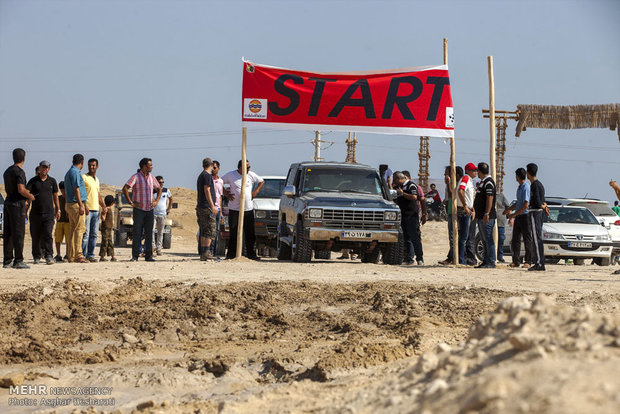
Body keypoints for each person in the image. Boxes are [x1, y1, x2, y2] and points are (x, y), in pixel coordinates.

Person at [222, 160, 264, 260]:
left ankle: (251, 254)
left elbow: (261, 181)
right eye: (247, 167)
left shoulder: (251, 175)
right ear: (240, 167)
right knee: (234, 232)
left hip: (248, 209)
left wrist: (255, 192)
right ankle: (231, 254)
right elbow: (219, 182)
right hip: (235, 209)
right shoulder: (231, 175)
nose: (249, 169)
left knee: (250, 233)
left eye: (249, 167)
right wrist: (226, 194)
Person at [122, 158, 161, 262]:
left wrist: (156, 201)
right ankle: (135, 256)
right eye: (150, 165)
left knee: (149, 233)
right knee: (137, 233)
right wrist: (130, 202)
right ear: (144, 166)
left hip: (149, 209)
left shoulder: (152, 178)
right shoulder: (135, 177)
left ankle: (148, 256)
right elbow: (125, 188)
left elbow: (159, 188)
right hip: (139, 210)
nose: (152, 167)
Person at [3, 148, 36, 269]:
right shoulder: (19, 172)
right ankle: (18, 260)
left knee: (8, 233)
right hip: (17, 204)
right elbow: (21, 189)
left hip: (8, 203)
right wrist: (30, 196)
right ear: (24, 158)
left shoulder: (7, 171)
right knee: (18, 233)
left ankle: (7, 261)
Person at [26, 160, 60, 265]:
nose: (44, 169)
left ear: (48, 169)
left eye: (46, 167)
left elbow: (55, 196)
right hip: (35, 213)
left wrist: (58, 210)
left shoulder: (52, 181)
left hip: (49, 213)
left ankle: (49, 256)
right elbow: (27, 197)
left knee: (48, 235)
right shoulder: (33, 181)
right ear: (39, 168)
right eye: (42, 167)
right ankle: (36, 256)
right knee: (35, 235)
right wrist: (25, 211)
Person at [504, 168, 534, 269]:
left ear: (518, 176)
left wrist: (513, 215)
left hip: (525, 216)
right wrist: (509, 209)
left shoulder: (526, 187)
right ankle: (515, 261)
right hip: (519, 216)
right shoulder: (519, 187)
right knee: (515, 240)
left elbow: (526, 204)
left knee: (527, 239)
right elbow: (518, 203)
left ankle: (528, 261)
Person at [393, 171, 425, 265]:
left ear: (399, 179)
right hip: (403, 215)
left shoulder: (411, 185)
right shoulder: (399, 187)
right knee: (406, 238)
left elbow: (414, 197)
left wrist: (403, 194)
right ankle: (409, 258)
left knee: (414, 237)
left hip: (411, 215)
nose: (395, 183)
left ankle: (420, 258)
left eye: (395, 180)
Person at [64, 153, 89, 264]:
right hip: (75, 204)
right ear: (82, 163)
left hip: (70, 204)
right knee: (79, 229)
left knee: (73, 230)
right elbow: (76, 190)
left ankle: (71, 255)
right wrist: (81, 205)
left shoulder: (70, 172)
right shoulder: (74, 172)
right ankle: (78, 255)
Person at [81, 158, 106, 262]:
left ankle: (90, 254)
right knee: (85, 234)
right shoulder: (84, 177)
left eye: (94, 165)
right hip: (87, 210)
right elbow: (81, 193)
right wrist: (84, 205)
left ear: (97, 167)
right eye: (90, 165)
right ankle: (82, 255)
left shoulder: (97, 179)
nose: (92, 167)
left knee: (94, 234)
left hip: (96, 210)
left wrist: (103, 206)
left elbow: (97, 194)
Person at [473, 162, 497, 268]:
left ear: (479, 171)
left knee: (488, 238)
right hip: (481, 215)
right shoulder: (483, 182)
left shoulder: (489, 183)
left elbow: (490, 198)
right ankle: (486, 260)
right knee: (483, 239)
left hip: (487, 216)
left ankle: (491, 261)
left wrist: (487, 213)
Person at [527, 163, 548, 271]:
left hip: (535, 212)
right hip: (538, 213)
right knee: (537, 238)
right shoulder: (539, 184)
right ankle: (538, 261)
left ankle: (539, 263)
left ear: (528, 173)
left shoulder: (535, 185)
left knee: (536, 239)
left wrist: (542, 205)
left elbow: (538, 201)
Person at [196, 158, 218, 261]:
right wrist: (212, 205)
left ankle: (204, 252)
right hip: (207, 207)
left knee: (204, 230)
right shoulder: (207, 176)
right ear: (212, 165)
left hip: (201, 206)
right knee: (210, 230)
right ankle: (207, 251)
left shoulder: (201, 175)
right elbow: (207, 190)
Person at [456, 163, 476, 265]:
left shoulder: (470, 180)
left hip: (468, 209)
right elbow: (461, 190)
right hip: (464, 210)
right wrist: (465, 205)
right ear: (468, 171)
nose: (475, 172)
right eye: (473, 170)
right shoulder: (466, 178)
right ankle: (461, 259)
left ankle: (463, 258)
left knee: (466, 237)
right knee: (463, 237)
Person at [439, 165, 457, 265]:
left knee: (452, 236)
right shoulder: (448, 184)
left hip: (453, 211)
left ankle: (453, 257)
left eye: (446, 173)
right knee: (451, 236)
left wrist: (449, 183)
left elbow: (452, 194)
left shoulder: (453, 183)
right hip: (449, 210)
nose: (445, 176)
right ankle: (450, 257)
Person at [152, 175, 172, 255]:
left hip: (162, 214)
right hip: (153, 214)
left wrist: (169, 208)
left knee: (160, 232)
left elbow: (171, 198)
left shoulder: (166, 190)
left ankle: (159, 248)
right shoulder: (152, 190)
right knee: (151, 231)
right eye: (160, 182)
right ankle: (152, 247)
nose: (161, 183)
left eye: (162, 182)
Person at [210, 161, 224, 255]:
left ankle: (215, 251)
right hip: (210, 208)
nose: (213, 169)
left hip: (218, 208)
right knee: (210, 229)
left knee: (217, 230)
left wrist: (221, 212)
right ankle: (208, 250)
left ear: (218, 168)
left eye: (215, 167)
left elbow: (221, 196)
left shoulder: (221, 181)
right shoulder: (208, 179)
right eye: (212, 167)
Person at [54, 181, 70, 262]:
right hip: (59, 221)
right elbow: (55, 208)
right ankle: (58, 254)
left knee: (68, 239)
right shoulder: (59, 198)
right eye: (62, 190)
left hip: (68, 222)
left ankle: (67, 254)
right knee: (58, 239)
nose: (63, 192)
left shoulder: (70, 199)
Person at [99, 195, 116, 262]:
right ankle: (102, 257)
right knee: (105, 242)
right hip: (105, 228)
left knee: (110, 242)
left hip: (109, 228)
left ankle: (112, 256)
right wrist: (103, 214)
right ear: (112, 203)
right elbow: (103, 218)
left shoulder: (108, 209)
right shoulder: (106, 209)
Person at [495, 191, 510, 263]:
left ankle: (500, 256)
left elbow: (508, 207)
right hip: (491, 222)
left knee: (501, 239)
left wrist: (510, 218)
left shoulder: (501, 196)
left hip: (500, 222)